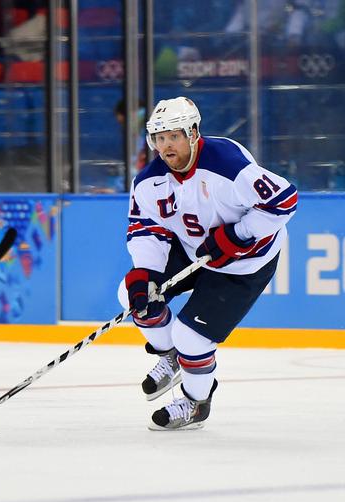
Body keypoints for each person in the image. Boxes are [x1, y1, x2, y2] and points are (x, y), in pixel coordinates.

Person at [117, 97, 297, 431]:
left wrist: (238, 234)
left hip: (245, 262)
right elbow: (147, 227)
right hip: (192, 248)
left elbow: (283, 201)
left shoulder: (227, 164)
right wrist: (146, 271)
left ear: (193, 133)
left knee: (192, 337)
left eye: (174, 136)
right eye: (159, 137)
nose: (166, 145)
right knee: (134, 297)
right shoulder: (148, 181)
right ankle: (170, 356)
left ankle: (195, 401)